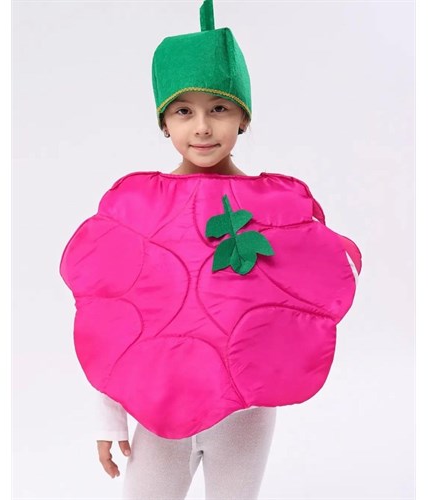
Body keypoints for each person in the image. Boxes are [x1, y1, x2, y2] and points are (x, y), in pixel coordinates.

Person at [59, 1, 362, 498]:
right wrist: (109, 416)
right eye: (184, 111)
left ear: (243, 117)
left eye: (219, 108)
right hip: (160, 408)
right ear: (164, 122)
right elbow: (111, 318)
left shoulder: (279, 207)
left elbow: (310, 292)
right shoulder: (137, 209)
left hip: (247, 414)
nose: (201, 127)